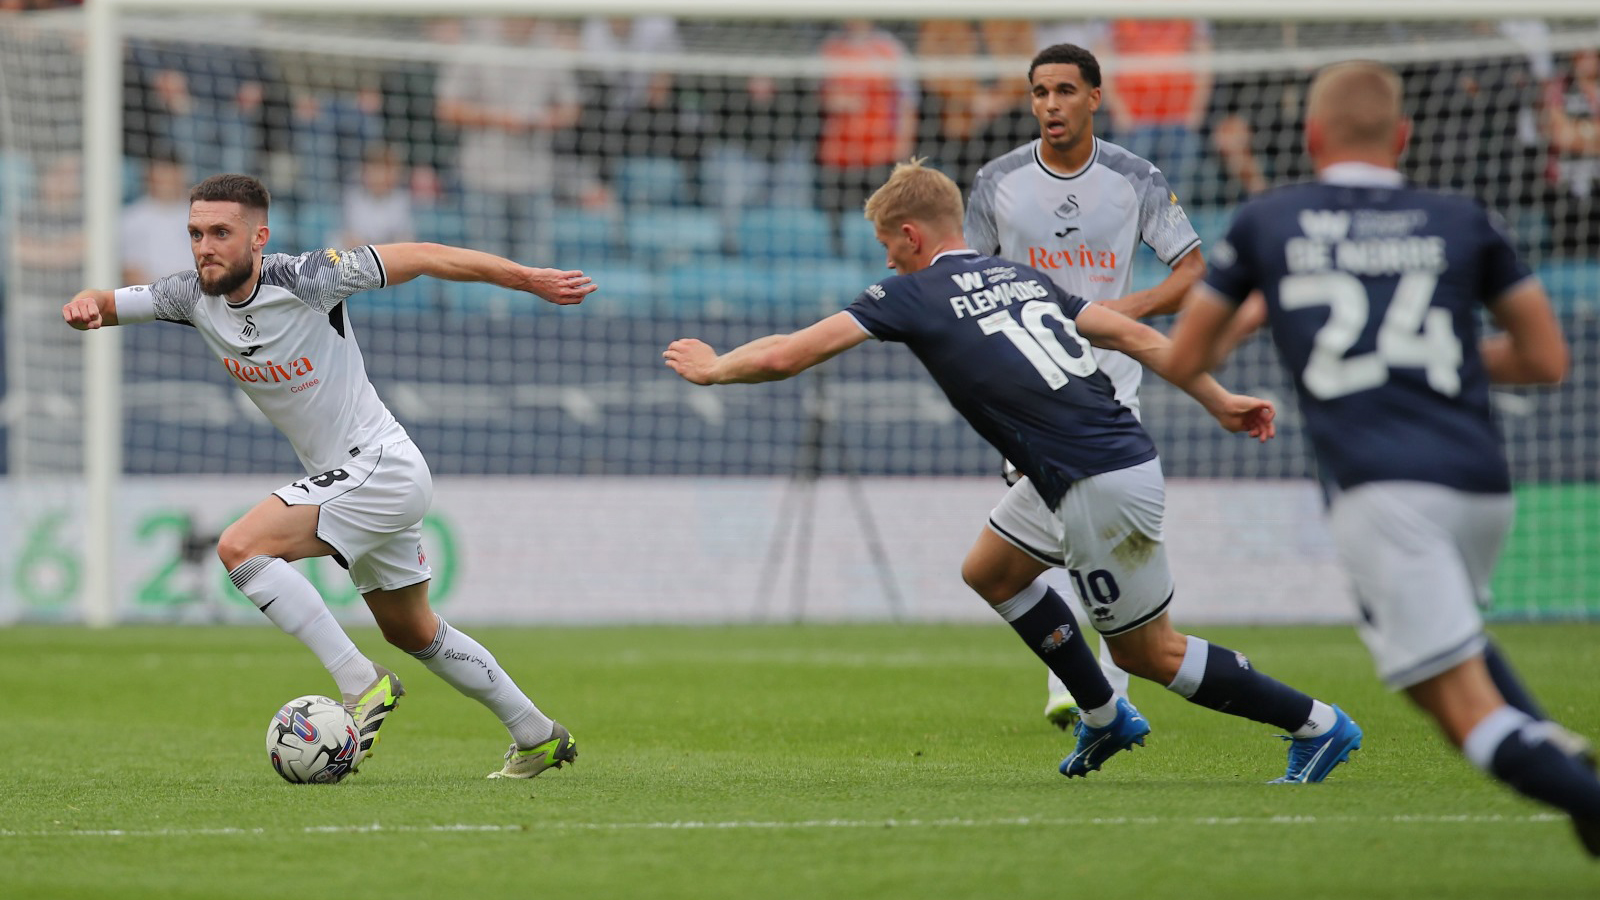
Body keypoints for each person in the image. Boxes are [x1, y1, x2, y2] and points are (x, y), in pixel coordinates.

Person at [664, 158, 1361, 783]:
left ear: (911, 235)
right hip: (1091, 462)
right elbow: (1134, 333)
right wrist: (1218, 400)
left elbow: (790, 353)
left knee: (1151, 652)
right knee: (992, 571)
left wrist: (717, 367)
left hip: (1097, 480)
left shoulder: (912, 292)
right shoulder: (1021, 276)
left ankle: (1318, 725)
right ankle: (1101, 715)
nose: (890, 263)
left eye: (888, 248)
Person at [1166, 60, 1600, 854]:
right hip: (1482, 487)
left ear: (1311, 136)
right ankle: (1563, 760)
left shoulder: (1272, 220)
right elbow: (1545, 359)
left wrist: (1271, 312)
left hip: (1381, 492)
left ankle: (1583, 791)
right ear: (1402, 138)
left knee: (1463, 714)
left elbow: (1187, 355)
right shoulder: (1462, 218)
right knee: (1463, 653)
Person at [62, 173, 595, 780]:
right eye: (194, 233)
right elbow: (106, 302)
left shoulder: (309, 277)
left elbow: (423, 255)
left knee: (242, 546)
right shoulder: (189, 295)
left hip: (379, 467)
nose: (204, 246)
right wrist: (86, 306)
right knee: (414, 631)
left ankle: (359, 682)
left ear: (259, 237)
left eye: (220, 232)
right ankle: (536, 734)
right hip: (355, 478)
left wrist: (529, 279)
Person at [965, 43, 1238, 731]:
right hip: (1024, 388)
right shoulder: (996, 182)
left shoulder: (1134, 177)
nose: (1049, 105)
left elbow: (1191, 271)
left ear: (1094, 96)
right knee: (1049, 543)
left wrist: (1120, 311)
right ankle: (1095, 686)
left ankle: (1099, 688)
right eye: (1038, 92)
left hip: (1107, 386)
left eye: (1063, 90)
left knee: (1080, 540)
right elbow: (962, 279)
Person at [120, 150, 194, 285]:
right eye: (160, 175)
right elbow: (129, 271)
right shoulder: (131, 218)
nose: (164, 182)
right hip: (149, 300)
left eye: (169, 174)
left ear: (181, 175)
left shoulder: (199, 214)